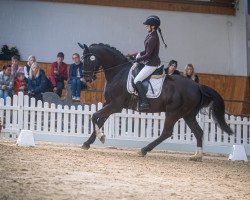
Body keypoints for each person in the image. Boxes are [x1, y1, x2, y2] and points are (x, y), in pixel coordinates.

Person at [134, 15, 167, 111]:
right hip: (149, 61)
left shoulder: (153, 38)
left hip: (151, 64)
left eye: (147, 25)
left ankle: (144, 103)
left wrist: (138, 59)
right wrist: (137, 54)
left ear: (152, 26)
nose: (146, 27)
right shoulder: (151, 35)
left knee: (137, 80)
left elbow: (148, 55)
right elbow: (146, 50)